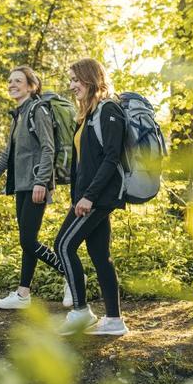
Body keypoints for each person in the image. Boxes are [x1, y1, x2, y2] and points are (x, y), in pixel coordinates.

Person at [0, 66, 69, 309]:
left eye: (17, 81)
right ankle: (23, 294)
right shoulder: (19, 115)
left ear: (31, 86)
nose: (11, 84)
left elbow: (49, 148)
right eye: (9, 81)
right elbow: (8, 155)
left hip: (36, 185)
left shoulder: (38, 110)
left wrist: (42, 182)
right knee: (28, 239)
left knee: (27, 240)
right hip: (22, 186)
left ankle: (72, 275)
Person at [54, 58, 129, 335]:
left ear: (90, 78)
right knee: (100, 256)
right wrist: (77, 196)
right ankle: (114, 320)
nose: (72, 86)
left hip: (99, 197)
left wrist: (88, 197)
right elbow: (84, 163)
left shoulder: (109, 109)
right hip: (87, 196)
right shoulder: (90, 114)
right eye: (71, 80)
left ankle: (80, 311)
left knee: (63, 245)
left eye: (76, 79)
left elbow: (111, 158)